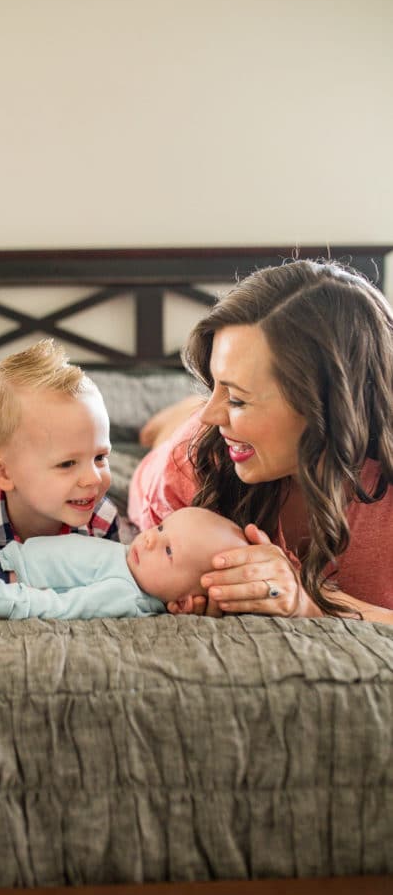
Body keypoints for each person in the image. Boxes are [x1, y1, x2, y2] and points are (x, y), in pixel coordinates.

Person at [128, 259, 393, 625]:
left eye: (238, 398)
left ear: (330, 405)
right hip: (177, 447)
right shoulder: (195, 460)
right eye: (214, 385)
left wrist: (310, 602)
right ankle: (175, 415)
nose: (213, 413)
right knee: (181, 429)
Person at [0, 508, 247, 621]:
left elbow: (59, 606)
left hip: (3, 576)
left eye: (168, 551)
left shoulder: (123, 594)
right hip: (0, 551)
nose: (149, 538)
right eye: (161, 527)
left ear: (181, 602)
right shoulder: (127, 556)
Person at [0, 339, 120, 544]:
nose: (93, 479)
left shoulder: (102, 521)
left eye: (100, 457)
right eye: (67, 463)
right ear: (2, 472)